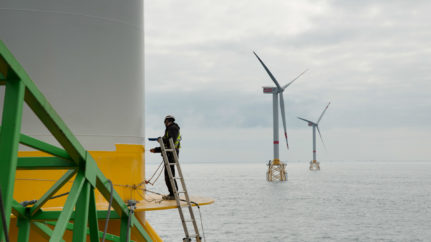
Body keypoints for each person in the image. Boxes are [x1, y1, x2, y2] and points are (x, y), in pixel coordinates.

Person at [150, 115, 181, 200]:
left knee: (169, 176)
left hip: (171, 154)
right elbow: (167, 144)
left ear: (167, 121)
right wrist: (156, 149)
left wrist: (161, 140)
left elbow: (170, 142)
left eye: (165, 121)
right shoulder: (171, 129)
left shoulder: (172, 128)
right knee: (169, 176)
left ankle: (173, 194)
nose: (164, 123)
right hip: (170, 153)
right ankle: (173, 193)